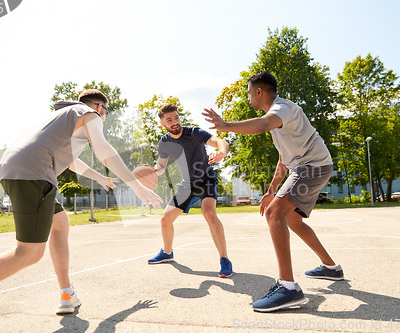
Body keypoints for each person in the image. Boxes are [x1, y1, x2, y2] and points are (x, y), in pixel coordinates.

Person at [0, 89, 162, 333]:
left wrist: (100, 177)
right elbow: (104, 149)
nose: (105, 116)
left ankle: (66, 294)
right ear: (100, 107)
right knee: (28, 253)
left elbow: (72, 162)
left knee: (60, 222)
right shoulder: (90, 114)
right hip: (34, 173)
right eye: (106, 112)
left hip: (18, 168)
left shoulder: (64, 117)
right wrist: (137, 187)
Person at [203, 71, 343, 312]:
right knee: (293, 219)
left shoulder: (282, 109)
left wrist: (226, 126)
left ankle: (288, 288)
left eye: (249, 93)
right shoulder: (279, 121)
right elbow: (283, 159)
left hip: (312, 167)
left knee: (274, 213)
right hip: (310, 166)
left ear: (259, 91)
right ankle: (331, 268)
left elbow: (261, 125)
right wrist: (271, 191)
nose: (248, 98)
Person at [147, 104, 233, 278]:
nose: (174, 122)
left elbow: (219, 141)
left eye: (176, 118)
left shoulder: (194, 133)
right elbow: (162, 165)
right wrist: (155, 171)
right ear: (163, 124)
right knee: (165, 220)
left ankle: (224, 260)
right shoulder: (164, 143)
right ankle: (167, 252)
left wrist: (222, 151)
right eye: (169, 120)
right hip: (187, 184)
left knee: (209, 213)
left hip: (206, 179)